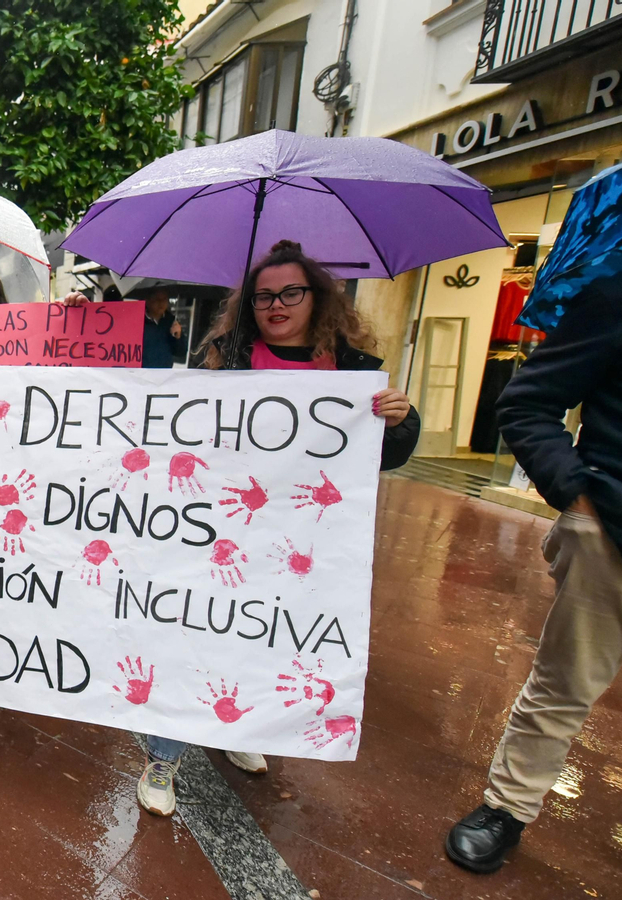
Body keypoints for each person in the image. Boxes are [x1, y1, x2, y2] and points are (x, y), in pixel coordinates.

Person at [134, 239, 419, 817]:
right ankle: (164, 755)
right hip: (223, 537)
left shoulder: (353, 371)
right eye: (264, 296)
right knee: (196, 637)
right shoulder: (227, 358)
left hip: (302, 544)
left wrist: (401, 419)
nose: (276, 305)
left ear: (317, 298)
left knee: (267, 640)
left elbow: (386, 457)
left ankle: (241, 728)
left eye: (291, 293)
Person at [444, 276, 622, 873]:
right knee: (563, 686)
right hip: (612, 535)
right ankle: (507, 808)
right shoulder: (616, 297)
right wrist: (579, 499)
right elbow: (527, 402)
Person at [138, 287, 186, 369]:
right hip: (142, 372)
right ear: (147, 301)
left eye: (164, 299)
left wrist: (178, 337)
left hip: (164, 373)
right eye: (157, 299)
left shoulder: (171, 322)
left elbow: (181, 353)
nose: (161, 303)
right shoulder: (138, 321)